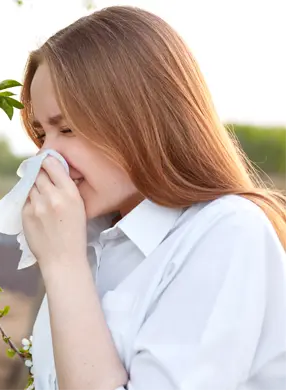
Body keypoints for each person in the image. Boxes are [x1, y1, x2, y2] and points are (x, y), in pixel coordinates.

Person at [18, 5, 286, 390]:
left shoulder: (227, 232)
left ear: (141, 119)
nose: (48, 157)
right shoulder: (92, 240)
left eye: (69, 129)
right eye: (42, 135)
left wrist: (63, 266)